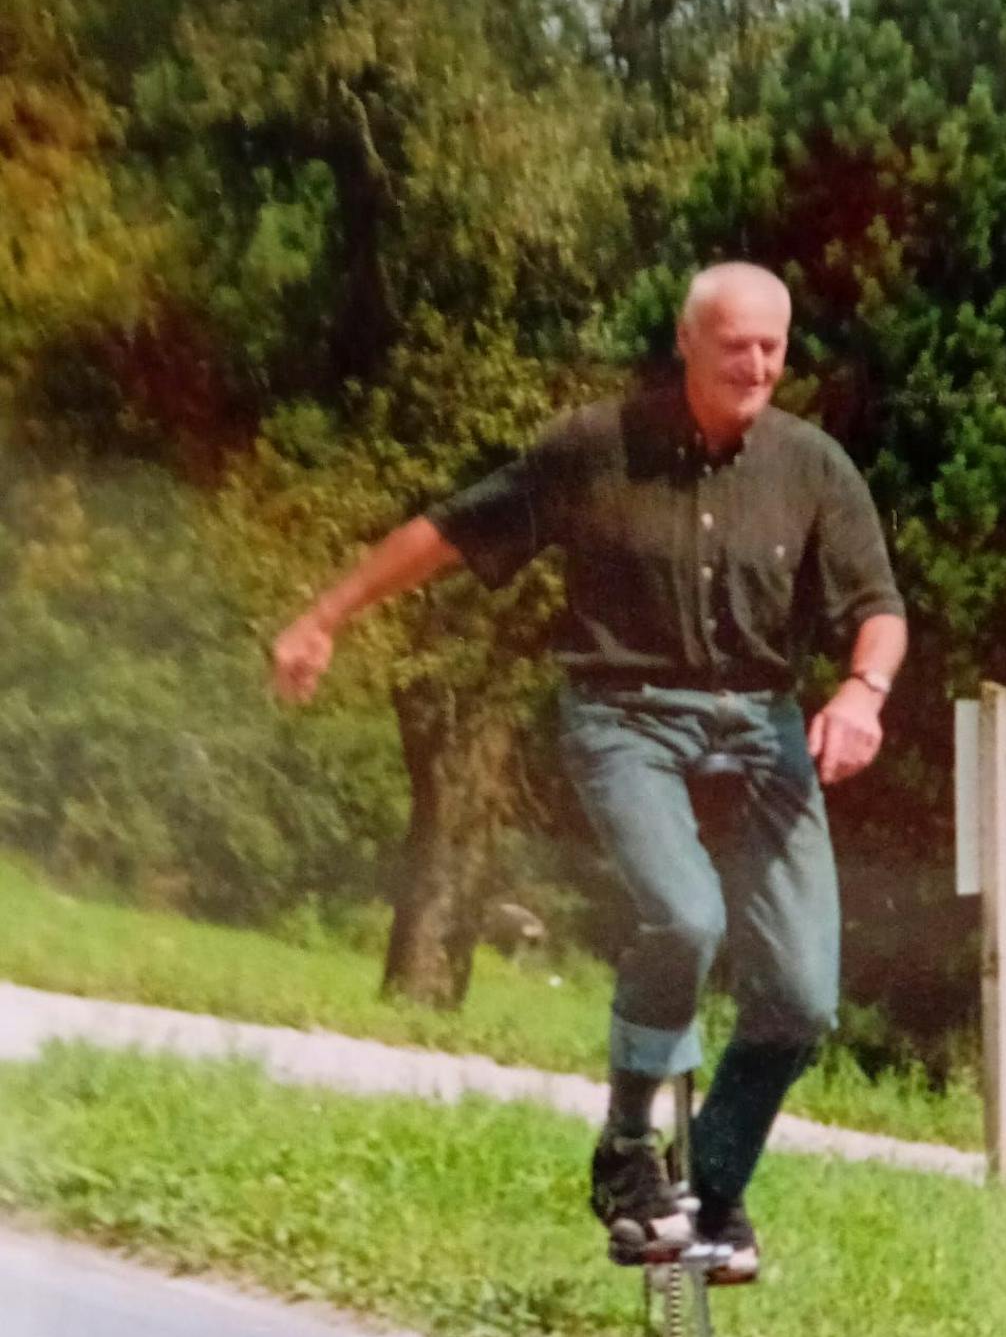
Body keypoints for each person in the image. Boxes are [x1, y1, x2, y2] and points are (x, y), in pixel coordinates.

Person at [273, 261, 906, 1281]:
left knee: (797, 994)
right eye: (734, 344)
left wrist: (862, 692)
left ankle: (715, 1189)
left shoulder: (811, 466)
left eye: (772, 347)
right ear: (687, 342)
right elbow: (449, 529)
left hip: (761, 729)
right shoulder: (592, 448)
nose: (755, 364)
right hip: (625, 719)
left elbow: (875, 606)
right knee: (686, 916)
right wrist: (323, 615)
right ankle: (625, 1150)